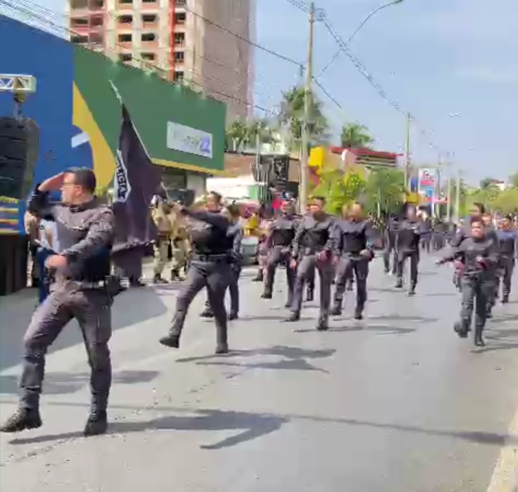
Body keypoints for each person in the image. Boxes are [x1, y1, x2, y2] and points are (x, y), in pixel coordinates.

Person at [1, 169, 115, 436]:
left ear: (79, 189)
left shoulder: (103, 213)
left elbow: (95, 241)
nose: (61, 190)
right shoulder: (60, 209)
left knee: (97, 355)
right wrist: (43, 187)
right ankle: (29, 409)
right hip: (61, 290)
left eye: (65, 185)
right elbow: (35, 207)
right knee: (32, 341)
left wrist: (67, 256)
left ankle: (98, 413)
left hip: (93, 294)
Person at [159, 192, 233, 354]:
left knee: (216, 305)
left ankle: (222, 341)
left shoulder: (221, 218)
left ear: (219, 204)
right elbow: (185, 230)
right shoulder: (197, 219)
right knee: (183, 297)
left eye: (211, 201)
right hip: (198, 264)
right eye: (206, 201)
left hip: (217, 265)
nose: (207, 204)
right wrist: (177, 213)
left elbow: (206, 217)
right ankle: (174, 335)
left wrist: (185, 210)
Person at [437, 217, 499, 346]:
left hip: (485, 279)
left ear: (484, 229)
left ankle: (478, 336)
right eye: (474, 227)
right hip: (468, 277)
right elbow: (455, 253)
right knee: (467, 303)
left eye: (479, 227)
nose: (476, 230)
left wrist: (485, 260)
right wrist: (443, 259)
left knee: (481, 308)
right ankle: (463, 325)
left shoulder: (490, 243)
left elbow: (495, 258)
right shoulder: (467, 242)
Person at [285, 196, 335, 331]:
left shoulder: (329, 220)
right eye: (311, 205)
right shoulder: (305, 220)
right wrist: (294, 256)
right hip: (307, 253)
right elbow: (296, 239)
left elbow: (332, 238)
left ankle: (323, 318)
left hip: (323, 255)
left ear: (322, 206)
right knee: (300, 277)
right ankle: (295, 311)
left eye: (316, 205)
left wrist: (326, 250)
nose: (313, 208)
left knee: (325, 285)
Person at [331, 202, 374, 319]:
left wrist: (368, 249)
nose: (355, 213)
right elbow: (338, 240)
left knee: (361, 284)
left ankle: (359, 308)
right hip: (346, 255)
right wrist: (336, 254)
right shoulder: (342, 224)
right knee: (340, 281)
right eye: (354, 210)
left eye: (358, 210)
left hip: (360, 256)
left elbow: (370, 239)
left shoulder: (365, 224)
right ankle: (337, 305)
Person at [200, 204, 243, 320]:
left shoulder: (236, 228)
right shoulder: (215, 227)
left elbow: (236, 245)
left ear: (231, 216)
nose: (222, 216)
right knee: (213, 284)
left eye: (225, 214)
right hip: (217, 260)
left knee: (232, 285)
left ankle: (234, 311)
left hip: (231, 259)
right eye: (221, 214)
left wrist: (232, 258)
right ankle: (210, 308)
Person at [261, 199, 299, 307]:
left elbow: (298, 237)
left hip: (290, 247)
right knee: (271, 263)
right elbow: (269, 236)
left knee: (292, 274)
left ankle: (292, 299)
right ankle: (268, 289)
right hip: (278, 247)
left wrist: (294, 251)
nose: (285, 208)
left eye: (288, 206)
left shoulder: (296, 221)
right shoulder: (275, 220)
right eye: (284, 206)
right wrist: (265, 249)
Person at [395, 205, 421, 295]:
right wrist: (397, 248)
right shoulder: (403, 224)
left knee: (414, 268)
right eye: (410, 213)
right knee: (399, 262)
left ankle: (412, 286)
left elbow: (421, 233)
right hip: (403, 247)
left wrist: (417, 232)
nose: (411, 215)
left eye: (413, 213)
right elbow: (398, 237)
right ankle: (399, 278)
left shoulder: (418, 224)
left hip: (413, 249)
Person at [151, 197, 174, 283]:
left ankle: (158, 275)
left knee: (163, 258)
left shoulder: (164, 214)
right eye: (164, 203)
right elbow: (155, 227)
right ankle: (156, 276)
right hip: (159, 238)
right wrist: (155, 239)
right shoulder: (158, 214)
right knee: (160, 258)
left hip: (165, 237)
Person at [496, 215, 517, 303]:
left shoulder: (514, 234)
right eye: (502, 221)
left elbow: (516, 246)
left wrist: (515, 255)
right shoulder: (496, 233)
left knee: (507, 278)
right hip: (498, 258)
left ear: (510, 222)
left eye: (505, 221)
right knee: (495, 277)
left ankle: (505, 296)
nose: (503, 223)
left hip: (509, 257)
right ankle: (494, 293)